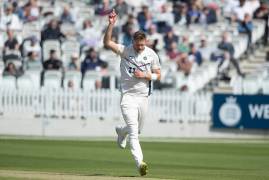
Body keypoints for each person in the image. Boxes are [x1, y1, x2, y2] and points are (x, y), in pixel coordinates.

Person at [103, 10, 161, 176]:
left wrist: (146, 75)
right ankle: (140, 163)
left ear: (146, 42)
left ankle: (121, 132)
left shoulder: (151, 55)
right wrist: (111, 24)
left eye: (143, 44)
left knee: (137, 129)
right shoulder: (125, 50)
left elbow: (159, 75)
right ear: (133, 42)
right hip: (128, 97)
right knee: (134, 133)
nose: (140, 47)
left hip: (143, 97)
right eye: (138, 44)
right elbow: (107, 42)